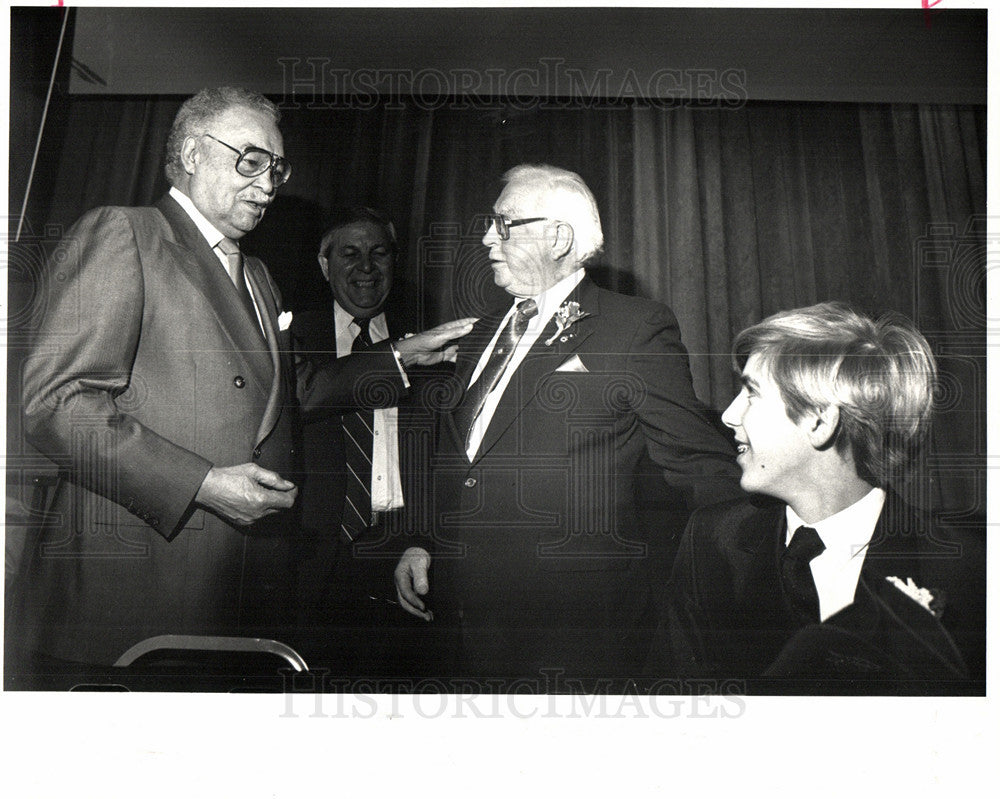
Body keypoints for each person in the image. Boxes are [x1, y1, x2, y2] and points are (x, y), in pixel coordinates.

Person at [9, 87, 469, 684]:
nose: (268, 183)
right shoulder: (127, 234)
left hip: (233, 594)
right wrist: (200, 483)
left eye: (276, 167)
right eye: (250, 161)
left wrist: (399, 355)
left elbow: (289, 392)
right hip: (135, 596)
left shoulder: (254, 272)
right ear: (195, 153)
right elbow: (56, 405)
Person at [393, 163, 742, 686]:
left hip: (571, 637)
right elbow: (461, 454)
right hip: (460, 623)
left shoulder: (633, 328)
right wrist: (422, 539)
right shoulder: (482, 330)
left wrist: (765, 571)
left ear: (557, 237)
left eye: (504, 223)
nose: (488, 238)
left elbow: (701, 465)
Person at [666, 302, 986, 693]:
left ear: (819, 421)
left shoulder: (969, 570)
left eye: (751, 393)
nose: (730, 415)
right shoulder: (711, 542)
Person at [291, 208, 437, 674]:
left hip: (404, 556)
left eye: (379, 253)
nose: (366, 267)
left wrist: (421, 541)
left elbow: (449, 460)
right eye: (349, 254)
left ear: (395, 262)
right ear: (324, 264)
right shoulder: (289, 340)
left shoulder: (432, 344)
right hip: (307, 560)